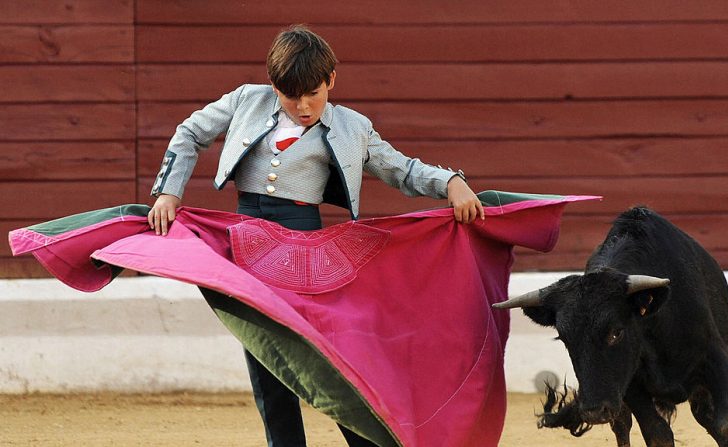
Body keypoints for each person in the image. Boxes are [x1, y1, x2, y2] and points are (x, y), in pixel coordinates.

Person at [146, 25, 484, 447]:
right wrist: (168, 192)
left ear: (331, 81)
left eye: (314, 93)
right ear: (273, 86)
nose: (304, 107)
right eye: (292, 96)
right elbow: (189, 133)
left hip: (308, 252)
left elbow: (402, 169)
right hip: (248, 250)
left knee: (329, 362)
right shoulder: (246, 100)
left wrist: (451, 181)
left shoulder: (350, 126)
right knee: (268, 362)